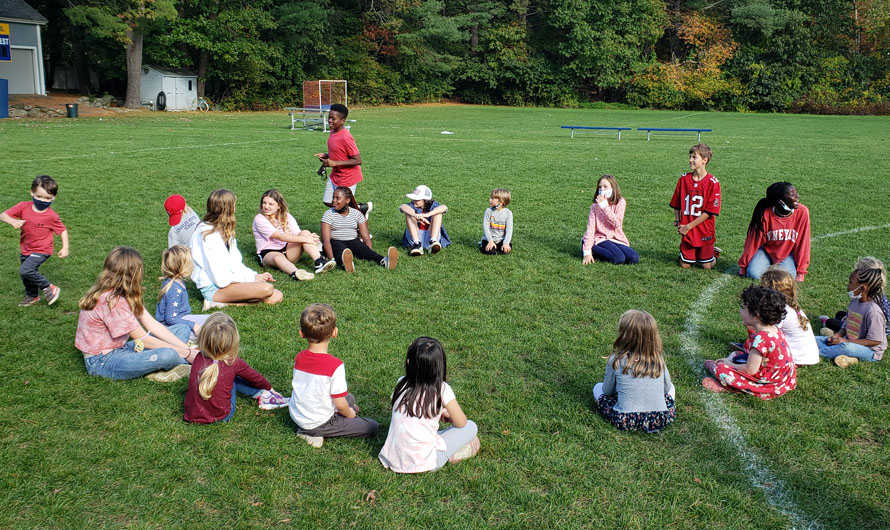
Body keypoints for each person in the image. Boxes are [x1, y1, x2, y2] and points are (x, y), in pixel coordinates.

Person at [75, 246, 198, 382]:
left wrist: (187, 349)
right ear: (133, 273)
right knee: (167, 354)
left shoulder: (123, 293)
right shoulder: (111, 301)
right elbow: (143, 339)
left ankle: (165, 365)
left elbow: (152, 325)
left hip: (121, 348)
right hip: (102, 361)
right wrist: (187, 353)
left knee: (182, 328)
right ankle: (172, 364)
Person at [379, 337, 480, 472]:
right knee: (471, 427)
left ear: (409, 362)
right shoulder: (442, 389)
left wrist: (439, 412)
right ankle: (454, 454)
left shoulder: (401, 383)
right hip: (426, 462)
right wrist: (448, 414)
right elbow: (461, 423)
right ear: (440, 366)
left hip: (393, 457)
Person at [288, 304, 379, 448]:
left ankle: (310, 428)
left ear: (301, 333)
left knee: (350, 398)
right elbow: (340, 404)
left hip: (298, 412)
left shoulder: (299, 357)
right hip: (318, 421)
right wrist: (350, 414)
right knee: (372, 426)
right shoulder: (334, 366)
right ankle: (311, 433)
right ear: (335, 332)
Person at [184, 313, 288, 424]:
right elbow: (255, 378)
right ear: (233, 341)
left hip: (191, 415)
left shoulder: (198, 357)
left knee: (223, 376)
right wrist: (270, 389)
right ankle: (264, 394)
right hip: (222, 416)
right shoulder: (233, 362)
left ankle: (261, 393)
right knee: (232, 378)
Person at [190, 189, 282, 309]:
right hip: (215, 286)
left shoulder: (226, 230)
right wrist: (250, 279)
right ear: (227, 208)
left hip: (229, 281)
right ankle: (216, 302)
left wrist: (254, 276)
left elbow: (235, 264)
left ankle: (221, 303)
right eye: (234, 205)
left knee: (277, 295)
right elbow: (220, 278)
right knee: (267, 289)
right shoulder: (206, 234)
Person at [702, 286, 797, 398]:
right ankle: (724, 367)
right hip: (782, 379)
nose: (740, 311)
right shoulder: (775, 330)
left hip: (767, 384)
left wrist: (729, 364)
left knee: (723, 370)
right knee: (738, 355)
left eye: (743, 308)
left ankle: (726, 383)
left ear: (755, 314)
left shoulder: (761, 339)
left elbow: (750, 370)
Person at [592, 310, 676, 433]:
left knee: (597, 388)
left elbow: (607, 391)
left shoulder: (616, 361)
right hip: (659, 418)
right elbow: (666, 388)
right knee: (672, 389)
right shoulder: (658, 359)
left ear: (624, 336)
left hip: (625, 419)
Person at [1, 175, 69, 306]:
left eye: (48, 198)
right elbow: (3, 215)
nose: (43, 200)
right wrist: (12, 221)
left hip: (43, 249)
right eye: (39, 196)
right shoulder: (23, 206)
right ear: (31, 192)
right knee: (26, 274)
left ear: (54, 197)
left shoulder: (52, 216)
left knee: (25, 270)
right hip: (26, 248)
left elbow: (62, 230)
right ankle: (32, 296)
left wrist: (65, 247)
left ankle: (49, 287)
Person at [815, 257, 888, 368]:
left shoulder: (874, 311)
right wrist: (837, 335)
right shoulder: (854, 302)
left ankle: (815, 354)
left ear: (862, 289)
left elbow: (875, 341)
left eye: (850, 283)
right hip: (850, 340)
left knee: (845, 347)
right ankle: (851, 359)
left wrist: (844, 341)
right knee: (816, 339)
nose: (848, 286)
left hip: (870, 351)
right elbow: (846, 323)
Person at [252, 189, 334, 278]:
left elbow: (298, 233)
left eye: (270, 204)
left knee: (305, 232)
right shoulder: (259, 219)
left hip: (288, 250)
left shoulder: (286, 216)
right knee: (278, 258)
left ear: (279, 206)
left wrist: (311, 238)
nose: (266, 206)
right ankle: (296, 273)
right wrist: (307, 239)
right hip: (269, 253)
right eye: (264, 203)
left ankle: (319, 261)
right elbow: (280, 236)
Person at [738, 182, 811, 282]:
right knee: (754, 274)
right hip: (766, 251)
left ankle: (775, 267)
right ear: (780, 201)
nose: (797, 196)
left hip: (788, 254)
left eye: (796, 193)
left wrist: (801, 272)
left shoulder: (803, 212)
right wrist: (743, 267)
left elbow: (803, 243)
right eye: (792, 194)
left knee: (786, 278)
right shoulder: (764, 213)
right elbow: (752, 241)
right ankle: (770, 265)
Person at [313, 103, 371, 217]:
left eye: (333, 119)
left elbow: (358, 160)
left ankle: (362, 230)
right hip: (336, 176)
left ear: (342, 121)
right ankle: (361, 208)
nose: (330, 120)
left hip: (347, 178)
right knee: (328, 200)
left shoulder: (346, 137)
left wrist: (335, 163)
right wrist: (326, 155)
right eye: (329, 117)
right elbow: (339, 152)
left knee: (343, 207)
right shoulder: (333, 131)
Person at [321, 186, 397, 272]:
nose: (334, 201)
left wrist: (369, 252)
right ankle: (345, 263)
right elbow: (326, 241)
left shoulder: (356, 214)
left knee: (362, 249)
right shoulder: (328, 214)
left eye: (337, 198)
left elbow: (366, 237)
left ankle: (384, 261)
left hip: (353, 241)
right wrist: (332, 260)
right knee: (340, 251)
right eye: (333, 198)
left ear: (347, 200)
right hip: (335, 241)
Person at [669, 144, 721, 269]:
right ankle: (687, 254)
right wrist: (678, 221)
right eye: (690, 157)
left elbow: (709, 212)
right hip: (687, 230)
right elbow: (676, 203)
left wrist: (688, 226)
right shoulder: (684, 179)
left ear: (704, 160)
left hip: (704, 230)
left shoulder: (713, 183)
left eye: (694, 157)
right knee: (685, 265)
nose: (690, 160)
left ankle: (713, 253)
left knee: (707, 266)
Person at [759, 267, 819, 365]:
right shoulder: (791, 307)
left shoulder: (781, 310)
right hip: (807, 357)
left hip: (797, 359)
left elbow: (768, 335)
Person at [581, 175, 639, 265]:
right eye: (600, 187)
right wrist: (587, 252)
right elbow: (590, 228)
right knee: (619, 258)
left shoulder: (621, 202)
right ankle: (589, 246)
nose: (602, 189)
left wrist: (604, 207)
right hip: (600, 238)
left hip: (615, 237)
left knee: (634, 258)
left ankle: (604, 250)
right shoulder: (595, 206)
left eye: (605, 186)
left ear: (613, 187)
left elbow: (617, 223)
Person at [155, 245, 209, 339]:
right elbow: (170, 319)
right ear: (182, 267)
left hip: (182, 320)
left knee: (212, 320)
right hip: (172, 328)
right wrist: (193, 325)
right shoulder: (174, 289)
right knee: (209, 328)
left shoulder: (176, 281)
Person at [399, 185, 450, 256]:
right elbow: (402, 207)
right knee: (409, 214)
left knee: (438, 213)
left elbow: (444, 207)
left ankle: (433, 241)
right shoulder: (412, 205)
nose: (414, 201)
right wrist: (415, 215)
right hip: (415, 237)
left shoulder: (433, 205)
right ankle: (417, 244)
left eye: (417, 199)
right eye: (414, 199)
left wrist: (427, 215)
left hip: (430, 234)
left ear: (425, 200)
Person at [479, 188, 513, 255]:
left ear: (500, 201)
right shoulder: (488, 211)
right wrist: (490, 241)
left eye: (492, 198)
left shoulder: (508, 213)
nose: (490, 200)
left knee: (505, 250)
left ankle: (500, 246)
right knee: (491, 252)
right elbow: (486, 227)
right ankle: (482, 244)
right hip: (488, 239)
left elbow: (509, 230)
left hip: (500, 240)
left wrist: (506, 243)